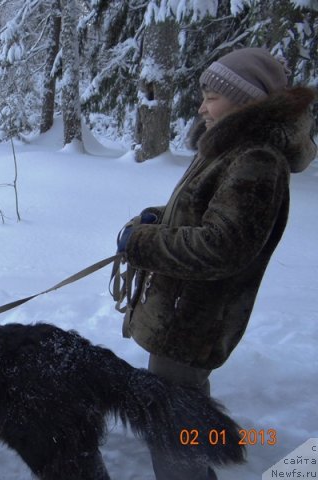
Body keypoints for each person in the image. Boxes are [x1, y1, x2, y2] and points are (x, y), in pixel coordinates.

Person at [116, 47, 317, 480]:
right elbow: (202, 214)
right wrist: (159, 217)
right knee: (183, 416)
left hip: (194, 322)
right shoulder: (230, 148)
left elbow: (222, 247)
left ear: (245, 100)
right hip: (184, 315)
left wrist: (142, 243)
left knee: (173, 434)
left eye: (211, 96)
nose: (202, 106)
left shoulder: (255, 160)